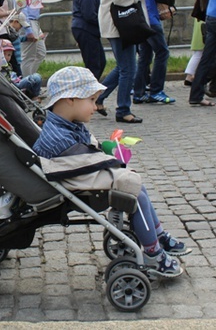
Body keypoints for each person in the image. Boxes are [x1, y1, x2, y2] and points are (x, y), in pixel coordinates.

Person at [33, 66, 190, 278]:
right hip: (76, 181)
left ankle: (158, 235)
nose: (96, 107)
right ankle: (153, 253)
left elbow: (86, 152)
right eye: (91, 100)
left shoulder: (67, 124)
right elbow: (85, 160)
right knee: (134, 190)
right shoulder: (59, 138)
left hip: (78, 173)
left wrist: (104, 149)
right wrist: (112, 159)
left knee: (137, 188)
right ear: (70, 99)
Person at [96, 0, 152, 124]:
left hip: (119, 25)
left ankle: (97, 98)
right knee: (129, 68)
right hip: (120, 26)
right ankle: (123, 110)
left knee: (123, 66)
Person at [133, 0, 179, 105]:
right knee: (162, 52)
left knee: (145, 56)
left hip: (147, 19)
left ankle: (138, 92)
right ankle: (156, 91)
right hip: (149, 20)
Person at [72, 0, 108, 87]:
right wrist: (105, 22)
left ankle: (90, 90)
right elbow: (89, 14)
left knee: (99, 62)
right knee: (94, 64)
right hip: (86, 29)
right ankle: (88, 91)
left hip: (87, 30)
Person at [15, 0, 47, 76]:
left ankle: (30, 82)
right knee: (28, 56)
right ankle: (27, 85)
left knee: (40, 53)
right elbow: (22, 8)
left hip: (34, 21)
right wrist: (28, 29)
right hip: (28, 21)